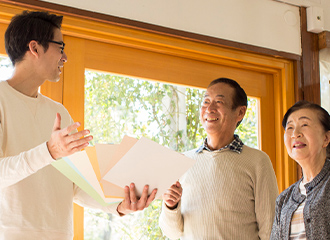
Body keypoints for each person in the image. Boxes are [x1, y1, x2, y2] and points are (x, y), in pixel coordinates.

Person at [0, 11, 157, 239]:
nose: (65, 57)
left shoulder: (59, 112)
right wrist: (49, 151)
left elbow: (75, 186)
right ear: (34, 48)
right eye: (60, 47)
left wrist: (119, 206)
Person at [159, 77, 279, 240]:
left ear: (240, 112)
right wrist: (170, 205)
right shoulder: (183, 161)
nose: (209, 108)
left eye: (219, 102)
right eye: (206, 101)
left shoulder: (257, 161)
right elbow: (173, 233)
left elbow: (270, 229)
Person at [270, 101, 330, 239]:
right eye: (290, 127)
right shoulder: (284, 199)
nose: (295, 134)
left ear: (326, 138)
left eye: (305, 125)